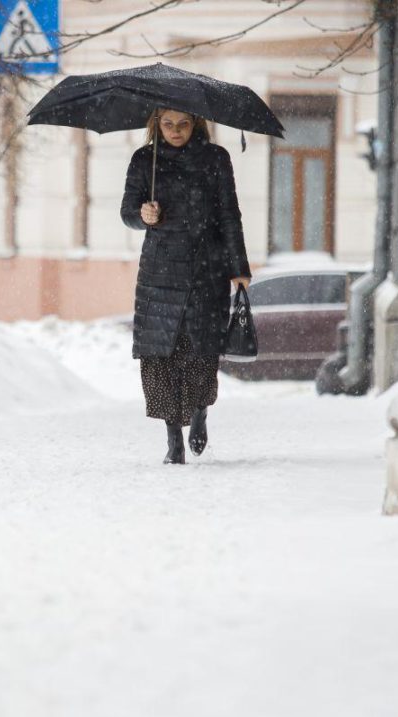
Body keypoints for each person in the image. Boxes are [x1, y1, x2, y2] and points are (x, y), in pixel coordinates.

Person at [119, 108, 252, 465]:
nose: (176, 131)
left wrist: (239, 268)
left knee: (200, 351)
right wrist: (142, 216)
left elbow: (229, 215)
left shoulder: (215, 159)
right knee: (159, 355)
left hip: (206, 269)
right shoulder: (144, 160)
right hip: (159, 272)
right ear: (156, 124)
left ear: (196, 124)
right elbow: (127, 212)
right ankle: (172, 440)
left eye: (183, 124)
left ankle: (199, 414)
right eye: (168, 124)